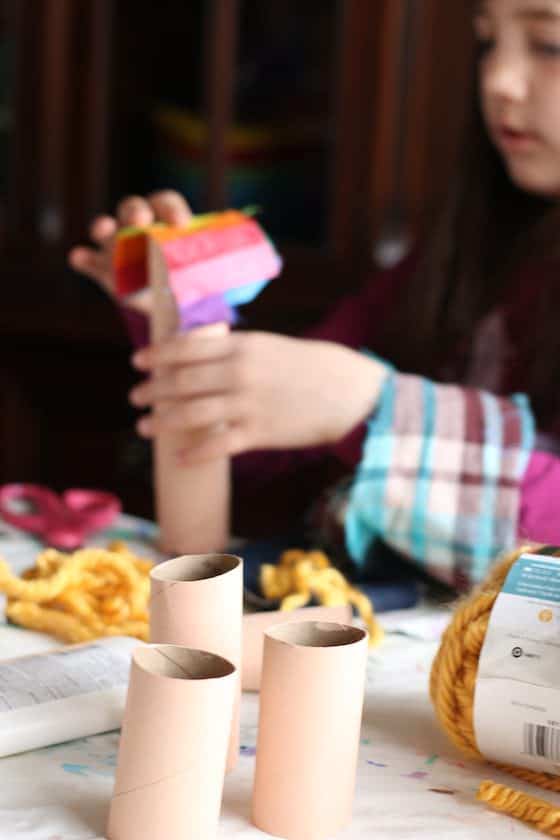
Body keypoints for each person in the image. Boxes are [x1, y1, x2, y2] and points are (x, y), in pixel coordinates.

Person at [70, 0, 560, 592]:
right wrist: (187, 313)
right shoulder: (467, 250)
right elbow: (259, 448)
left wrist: (374, 410)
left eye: (547, 45)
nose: (498, 80)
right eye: (488, 43)